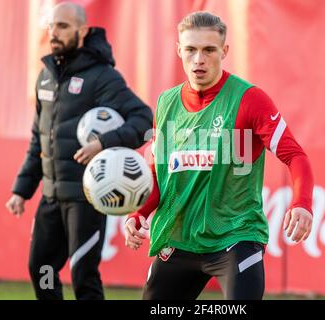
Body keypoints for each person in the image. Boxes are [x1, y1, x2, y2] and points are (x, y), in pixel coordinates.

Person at [123, 11, 313, 300]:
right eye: (191, 49)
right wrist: (139, 213)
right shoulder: (166, 103)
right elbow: (158, 174)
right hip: (178, 238)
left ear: (224, 51)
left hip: (235, 237)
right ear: (179, 51)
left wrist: (302, 203)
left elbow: (295, 155)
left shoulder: (250, 99)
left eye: (209, 50)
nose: (199, 59)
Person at [5, 2, 152, 300]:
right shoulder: (45, 76)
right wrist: (22, 190)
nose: (53, 32)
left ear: (82, 31)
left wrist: (104, 142)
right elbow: (39, 139)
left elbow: (145, 120)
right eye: (51, 26)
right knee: (42, 268)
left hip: (86, 199)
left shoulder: (102, 77)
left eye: (62, 26)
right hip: (51, 196)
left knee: (83, 275)